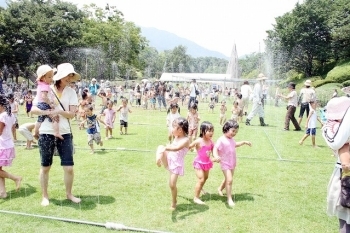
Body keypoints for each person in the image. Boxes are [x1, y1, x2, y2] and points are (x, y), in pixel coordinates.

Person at [30, 63, 81, 206]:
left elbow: (71, 115)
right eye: (68, 75)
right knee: (45, 166)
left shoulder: (71, 92)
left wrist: (58, 111)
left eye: (71, 76)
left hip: (65, 132)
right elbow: (33, 109)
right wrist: (47, 112)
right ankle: (45, 196)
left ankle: (69, 194)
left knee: (69, 167)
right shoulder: (46, 88)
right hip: (46, 132)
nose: (70, 78)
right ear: (60, 76)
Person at [321, 96, 350, 232]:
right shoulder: (335, 128)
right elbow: (337, 143)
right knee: (345, 219)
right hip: (345, 175)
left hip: (345, 174)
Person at [213, 120, 251, 207]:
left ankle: (219, 189)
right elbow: (215, 148)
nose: (234, 133)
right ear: (226, 129)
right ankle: (229, 199)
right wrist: (216, 156)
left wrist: (244, 142)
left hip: (232, 162)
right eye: (233, 131)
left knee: (227, 179)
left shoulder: (231, 139)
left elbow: (235, 144)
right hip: (225, 163)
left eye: (236, 132)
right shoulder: (221, 140)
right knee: (229, 180)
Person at [155, 117, 190, 210]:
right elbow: (172, 145)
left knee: (172, 185)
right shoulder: (177, 136)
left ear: (180, 130)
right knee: (160, 147)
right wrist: (165, 148)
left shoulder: (186, 140)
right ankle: (158, 160)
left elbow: (176, 148)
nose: (172, 129)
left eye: (174, 127)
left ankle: (174, 201)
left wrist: (166, 148)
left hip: (176, 164)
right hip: (169, 159)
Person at [0, 94, 22, 198]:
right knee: (0, 170)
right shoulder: (10, 115)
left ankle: (16, 178)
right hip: (8, 144)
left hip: (2, 145)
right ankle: (3, 192)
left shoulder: (2, 116)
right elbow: (13, 129)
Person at [33, 65, 63, 140]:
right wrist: (50, 104)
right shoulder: (45, 86)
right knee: (55, 117)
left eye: (52, 76)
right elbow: (44, 97)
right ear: (43, 78)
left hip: (40, 104)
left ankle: (36, 132)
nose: (52, 79)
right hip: (45, 104)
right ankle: (56, 132)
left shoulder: (41, 84)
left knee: (40, 119)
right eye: (49, 77)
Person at [189, 121, 214, 205]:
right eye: (209, 131)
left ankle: (200, 188)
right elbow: (189, 147)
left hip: (206, 163)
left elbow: (214, 151)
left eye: (212, 130)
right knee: (201, 179)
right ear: (202, 131)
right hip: (199, 163)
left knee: (206, 177)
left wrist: (216, 157)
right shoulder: (198, 141)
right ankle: (196, 198)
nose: (211, 133)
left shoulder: (211, 142)